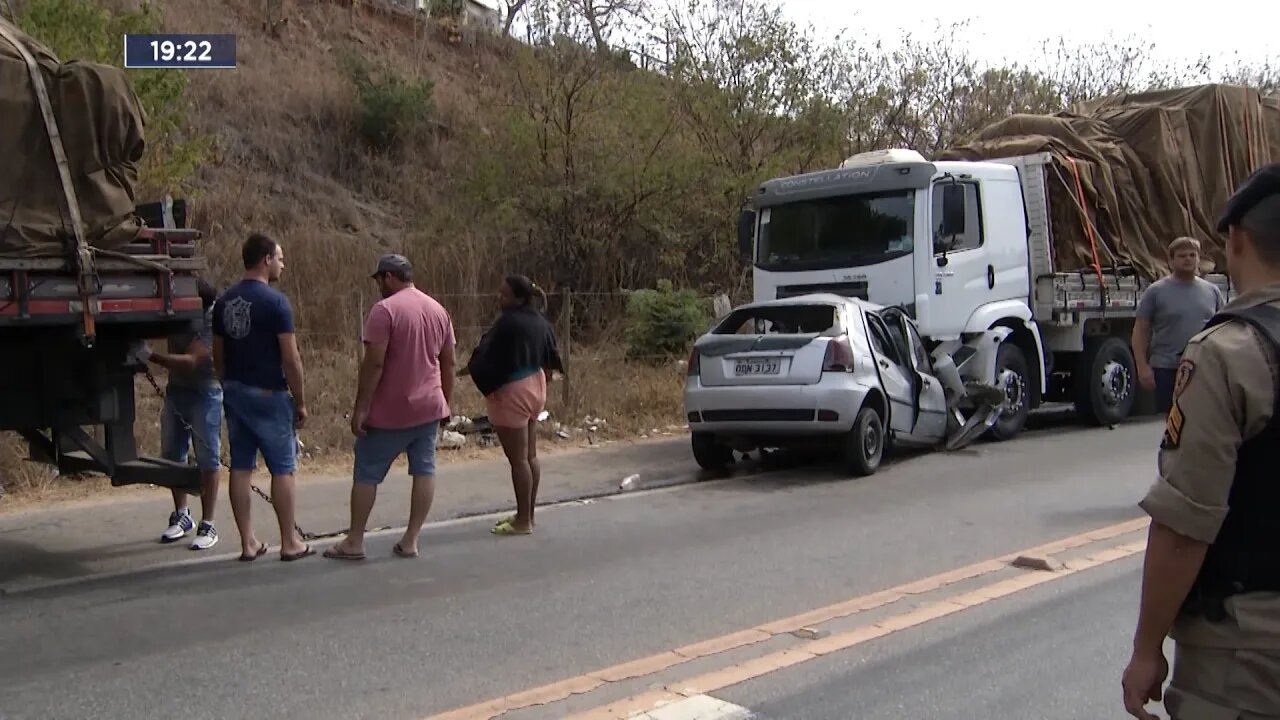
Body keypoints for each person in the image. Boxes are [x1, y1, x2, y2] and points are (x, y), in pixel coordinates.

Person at [1123, 163, 1280, 720]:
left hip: (1249, 652)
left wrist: (1147, 649)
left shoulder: (1230, 353)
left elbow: (1186, 523)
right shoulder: (1169, 301)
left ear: (1236, 240)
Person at [324, 254, 456, 561]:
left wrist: (361, 408)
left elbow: (374, 363)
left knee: (367, 473)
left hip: (390, 411)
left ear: (388, 277)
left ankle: (355, 540)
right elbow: (447, 361)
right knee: (424, 469)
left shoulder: (384, 311)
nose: (378, 287)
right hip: (429, 407)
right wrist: (445, 402)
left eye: (379, 280)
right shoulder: (437, 309)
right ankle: (411, 538)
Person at [211, 233, 313, 562]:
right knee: (283, 467)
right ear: (266, 259)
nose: (283, 264)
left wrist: (226, 383)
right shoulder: (276, 303)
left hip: (236, 391)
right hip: (270, 394)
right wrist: (299, 400)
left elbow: (218, 352)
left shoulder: (224, 301)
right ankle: (289, 541)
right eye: (280, 258)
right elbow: (291, 358)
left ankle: (247, 542)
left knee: (241, 467)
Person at [464, 275, 563, 536]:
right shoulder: (540, 321)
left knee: (518, 461)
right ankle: (527, 514)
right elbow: (552, 357)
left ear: (518, 297)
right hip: (536, 385)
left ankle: (522, 522)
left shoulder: (508, 323)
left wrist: (479, 376)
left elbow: (486, 358)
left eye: (504, 294)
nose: (500, 298)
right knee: (530, 456)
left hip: (513, 391)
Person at [137, 280, 224, 550]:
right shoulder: (175, 309)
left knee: (208, 458)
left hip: (205, 390)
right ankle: (182, 515)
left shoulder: (212, 316)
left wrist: (149, 356)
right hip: (177, 389)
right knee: (173, 455)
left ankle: (208, 523)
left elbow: (192, 361)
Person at [1132, 236, 1227, 413]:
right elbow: (1141, 330)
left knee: (1202, 419)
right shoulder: (1156, 291)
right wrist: (1142, 367)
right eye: (1182, 256)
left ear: (1199, 259)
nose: (1188, 259)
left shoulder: (1211, 291)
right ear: (1171, 260)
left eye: (1193, 255)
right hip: (1167, 367)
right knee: (1172, 420)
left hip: (1202, 368)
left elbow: (1222, 328)